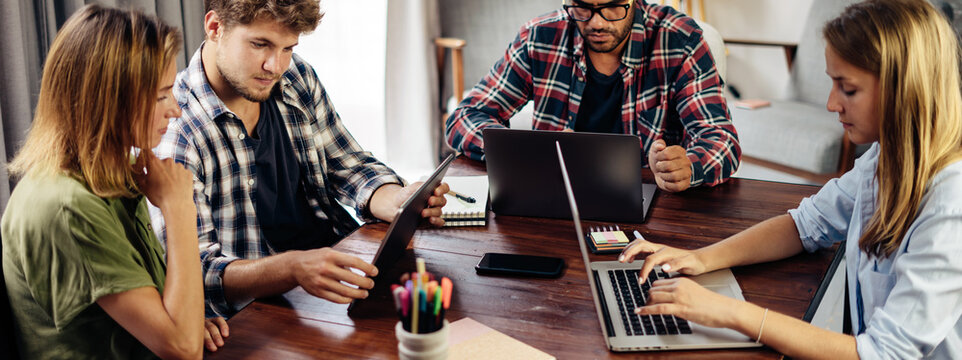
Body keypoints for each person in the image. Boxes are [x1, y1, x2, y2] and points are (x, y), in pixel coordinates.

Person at [619, 0, 962, 358]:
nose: (831, 104)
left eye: (848, 89)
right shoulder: (884, 158)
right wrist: (700, 259)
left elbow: (881, 353)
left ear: (903, 88)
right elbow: (806, 223)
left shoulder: (950, 206)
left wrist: (728, 311)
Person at [152, 0, 449, 319]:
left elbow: (347, 163)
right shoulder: (177, 133)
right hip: (257, 315)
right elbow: (201, 274)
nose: (275, 66)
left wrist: (394, 199)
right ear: (214, 28)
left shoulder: (295, 76)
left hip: (335, 276)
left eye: (287, 48)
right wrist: (293, 269)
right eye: (259, 44)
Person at [0, 4, 228, 358]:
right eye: (159, 96)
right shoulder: (68, 206)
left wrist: (188, 317)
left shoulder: (111, 175)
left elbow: (171, 325)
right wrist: (179, 206)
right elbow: (182, 349)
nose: (176, 110)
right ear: (105, 101)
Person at [445, 0, 739, 192]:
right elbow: (465, 117)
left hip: (650, 204)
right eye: (583, 7)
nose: (597, 23)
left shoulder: (679, 39)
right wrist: (520, 152)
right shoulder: (540, 37)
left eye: (612, 7)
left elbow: (721, 140)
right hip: (555, 195)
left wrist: (689, 166)